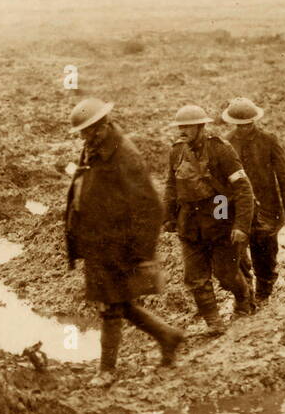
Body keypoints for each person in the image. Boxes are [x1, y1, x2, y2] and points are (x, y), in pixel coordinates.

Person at [65, 98, 184, 385]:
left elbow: (151, 207)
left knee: (111, 306)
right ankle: (169, 336)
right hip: (98, 242)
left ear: (102, 126)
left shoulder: (125, 157)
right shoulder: (94, 149)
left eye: (87, 131)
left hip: (119, 244)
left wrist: (142, 254)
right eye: (81, 132)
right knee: (118, 303)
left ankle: (107, 371)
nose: (83, 137)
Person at [162, 104, 255, 334]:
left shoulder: (220, 150)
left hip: (218, 212)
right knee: (195, 276)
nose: (183, 130)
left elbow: (243, 188)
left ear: (201, 127)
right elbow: (171, 185)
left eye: (188, 126)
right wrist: (169, 217)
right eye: (180, 126)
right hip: (189, 221)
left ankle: (244, 297)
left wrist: (241, 225)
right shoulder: (176, 151)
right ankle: (214, 322)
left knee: (225, 273)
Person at [222, 97, 285, 306]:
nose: (244, 129)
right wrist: (219, 214)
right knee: (237, 253)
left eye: (248, 124)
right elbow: (219, 182)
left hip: (267, 208)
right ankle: (244, 295)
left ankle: (264, 291)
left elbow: (284, 175)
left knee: (265, 251)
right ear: (234, 124)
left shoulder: (268, 141)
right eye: (240, 125)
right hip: (238, 208)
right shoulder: (226, 143)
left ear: (254, 121)